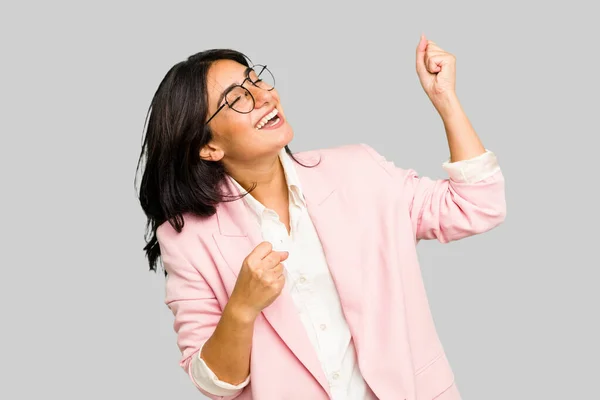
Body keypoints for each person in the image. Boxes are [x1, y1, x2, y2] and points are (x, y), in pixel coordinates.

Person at [135, 35, 506, 400]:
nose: (264, 95)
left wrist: (445, 100)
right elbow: (215, 383)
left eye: (255, 79)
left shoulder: (359, 171)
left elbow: (477, 205)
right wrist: (242, 307)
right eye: (237, 98)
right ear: (208, 146)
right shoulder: (186, 239)